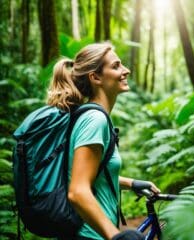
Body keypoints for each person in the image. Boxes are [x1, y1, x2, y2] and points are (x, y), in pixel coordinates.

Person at [47, 42, 160, 240]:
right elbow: (78, 191)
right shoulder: (95, 120)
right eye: (116, 66)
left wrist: (131, 183)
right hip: (88, 235)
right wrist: (116, 236)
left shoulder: (92, 116)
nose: (126, 70)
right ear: (96, 77)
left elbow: (89, 176)